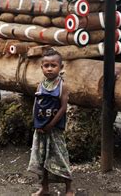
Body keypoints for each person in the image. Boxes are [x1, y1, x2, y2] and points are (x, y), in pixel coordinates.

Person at [28, 48, 73, 196]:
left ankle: (69, 189)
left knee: (60, 157)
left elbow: (63, 108)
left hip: (55, 129)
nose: (49, 69)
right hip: (41, 128)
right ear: (41, 67)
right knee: (42, 158)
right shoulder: (40, 85)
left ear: (61, 67)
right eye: (46, 66)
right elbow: (36, 105)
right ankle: (44, 188)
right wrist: (37, 124)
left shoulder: (62, 86)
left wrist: (51, 125)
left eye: (53, 65)